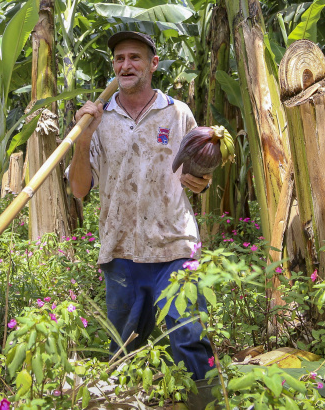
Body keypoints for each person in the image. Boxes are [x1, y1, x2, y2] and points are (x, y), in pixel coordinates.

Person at [68, 30, 216, 387]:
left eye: (134, 57)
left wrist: (203, 181)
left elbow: (200, 167)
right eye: (119, 58)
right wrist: (83, 135)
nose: (126, 65)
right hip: (120, 251)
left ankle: (205, 401)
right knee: (123, 347)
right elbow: (78, 188)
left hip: (174, 246)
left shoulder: (177, 113)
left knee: (190, 337)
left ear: (153, 64)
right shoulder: (99, 120)